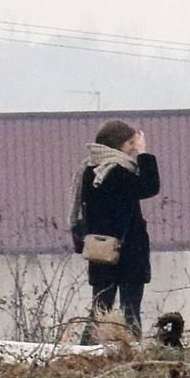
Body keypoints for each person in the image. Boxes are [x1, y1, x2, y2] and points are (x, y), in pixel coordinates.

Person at [76, 119, 160, 338]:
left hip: (100, 251)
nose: (133, 147)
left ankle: (84, 350)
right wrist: (144, 154)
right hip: (128, 250)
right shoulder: (118, 172)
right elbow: (149, 186)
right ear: (119, 144)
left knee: (99, 309)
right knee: (131, 310)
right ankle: (131, 351)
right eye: (131, 143)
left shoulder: (90, 171)